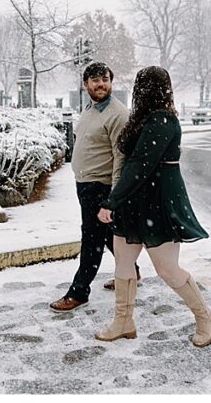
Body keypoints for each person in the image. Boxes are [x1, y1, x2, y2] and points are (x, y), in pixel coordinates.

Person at [95, 66, 211, 347]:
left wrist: (112, 201)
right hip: (135, 201)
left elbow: (140, 165)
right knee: (123, 262)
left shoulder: (162, 120)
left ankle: (204, 315)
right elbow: (132, 163)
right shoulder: (143, 119)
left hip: (158, 203)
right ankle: (123, 322)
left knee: (167, 269)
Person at [50, 62, 139, 312]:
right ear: (86, 85)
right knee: (107, 234)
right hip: (86, 185)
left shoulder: (118, 114)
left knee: (91, 239)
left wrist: (113, 197)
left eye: (105, 79)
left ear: (111, 82)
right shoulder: (90, 109)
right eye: (95, 80)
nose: (101, 84)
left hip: (101, 187)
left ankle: (79, 292)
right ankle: (134, 272)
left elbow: (120, 157)